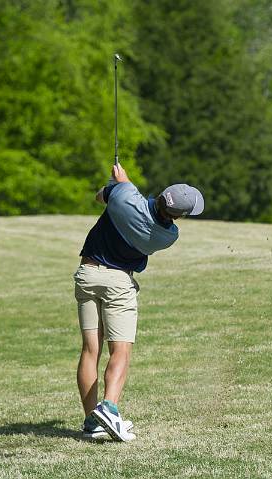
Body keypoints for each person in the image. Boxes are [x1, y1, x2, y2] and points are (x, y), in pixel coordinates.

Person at [74, 163, 204, 441]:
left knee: (90, 350)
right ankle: (109, 407)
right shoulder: (168, 236)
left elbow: (104, 196)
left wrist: (117, 185)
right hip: (119, 283)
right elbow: (137, 207)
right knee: (120, 349)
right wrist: (124, 186)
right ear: (178, 216)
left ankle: (90, 422)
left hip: (86, 275)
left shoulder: (123, 195)